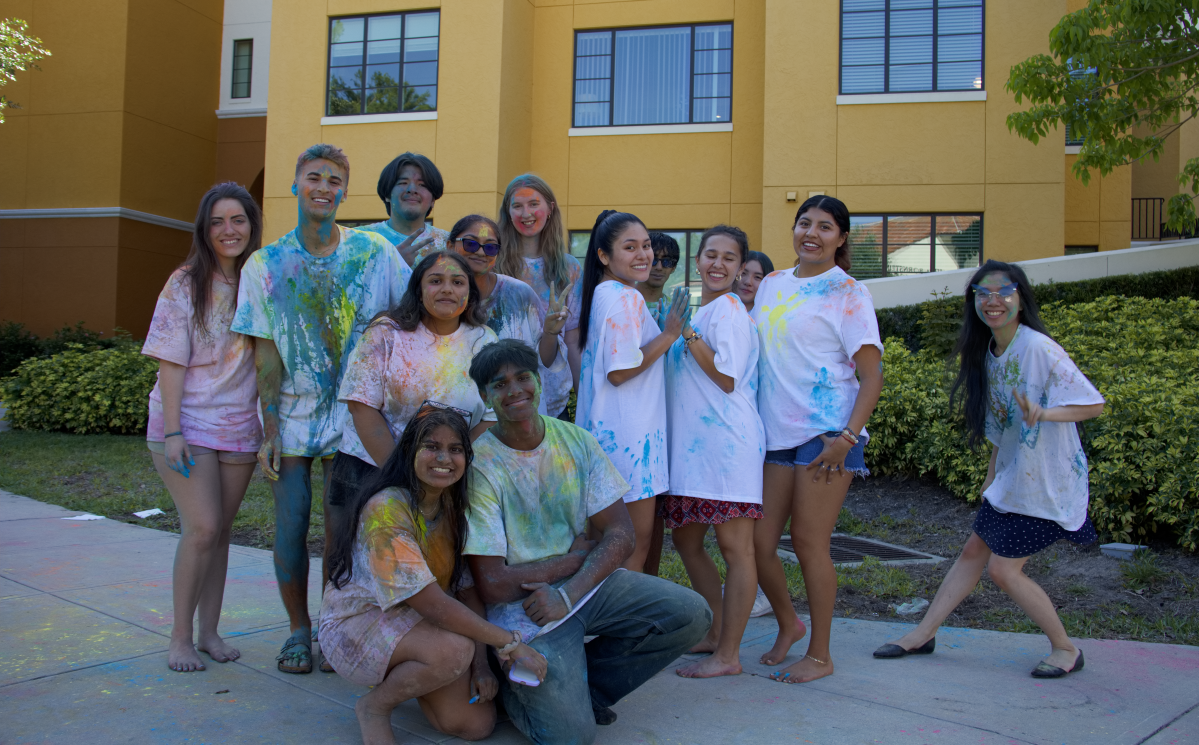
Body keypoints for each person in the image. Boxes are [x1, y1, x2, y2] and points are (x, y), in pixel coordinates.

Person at [463, 339, 710, 745]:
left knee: (690, 613)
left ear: (538, 380)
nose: (514, 391)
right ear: (484, 395)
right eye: (499, 384)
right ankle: (516, 691)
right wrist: (570, 562)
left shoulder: (577, 441)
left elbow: (621, 534)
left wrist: (569, 591)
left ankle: (585, 688)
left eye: (523, 378)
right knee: (571, 737)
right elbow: (493, 584)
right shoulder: (480, 465)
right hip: (524, 613)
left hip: (584, 591)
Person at [874, 260, 1104, 678]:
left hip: (1047, 483)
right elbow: (1001, 429)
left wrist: (1045, 414)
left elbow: (1093, 403)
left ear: (1021, 298)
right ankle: (923, 634)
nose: (993, 300)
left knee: (1002, 570)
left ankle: (1066, 649)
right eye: (983, 293)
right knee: (973, 552)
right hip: (1014, 479)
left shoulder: (1038, 348)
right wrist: (991, 479)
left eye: (1003, 291)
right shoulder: (990, 353)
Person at [231, 143, 410, 675]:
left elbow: (408, 314)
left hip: (355, 418)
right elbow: (265, 352)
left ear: (344, 192)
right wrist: (269, 427)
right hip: (292, 417)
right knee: (290, 525)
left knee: (340, 528)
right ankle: (297, 630)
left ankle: (332, 628)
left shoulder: (374, 254)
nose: (323, 188)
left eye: (334, 180)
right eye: (314, 177)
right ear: (296, 185)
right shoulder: (265, 265)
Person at [321, 405, 548, 745]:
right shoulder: (386, 509)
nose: (444, 458)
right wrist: (510, 643)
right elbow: (431, 604)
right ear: (409, 452)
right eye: (431, 447)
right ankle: (375, 706)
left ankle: (416, 672)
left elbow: (465, 591)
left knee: (475, 724)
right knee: (453, 652)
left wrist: (481, 665)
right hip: (358, 624)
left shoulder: (451, 507)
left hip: (419, 622)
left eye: (455, 449)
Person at [751, 196, 885, 685]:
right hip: (774, 434)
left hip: (827, 435)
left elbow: (872, 376)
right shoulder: (771, 283)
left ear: (841, 237)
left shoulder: (849, 292)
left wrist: (847, 438)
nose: (812, 233)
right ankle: (789, 623)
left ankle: (821, 655)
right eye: (804, 223)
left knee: (810, 544)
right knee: (758, 543)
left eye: (825, 227)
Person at [143, 182, 264, 672]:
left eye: (237, 220)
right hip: (186, 422)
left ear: (252, 225)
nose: (228, 230)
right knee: (202, 528)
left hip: (240, 424)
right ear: (204, 229)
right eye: (217, 222)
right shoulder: (185, 282)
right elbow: (170, 361)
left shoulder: (260, 281)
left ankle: (209, 631)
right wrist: (173, 431)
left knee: (222, 532)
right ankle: (179, 639)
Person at [328, 251, 500, 550]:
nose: (447, 289)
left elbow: (490, 416)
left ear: (470, 293)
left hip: (445, 476)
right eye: (436, 281)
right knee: (352, 562)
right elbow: (360, 406)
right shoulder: (386, 333)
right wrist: (403, 475)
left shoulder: (484, 341)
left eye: (457, 282)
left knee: (434, 561)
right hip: (370, 468)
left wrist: (448, 467)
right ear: (418, 290)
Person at [661, 225, 766, 679]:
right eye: (711, 255)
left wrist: (685, 333)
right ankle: (716, 631)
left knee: (735, 548)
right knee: (686, 541)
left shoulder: (730, 311)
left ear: (741, 268)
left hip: (728, 447)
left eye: (729, 258)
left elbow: (726, 377)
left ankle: (729, 655)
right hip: (693, 453)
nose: (718, 264)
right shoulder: (701, 311)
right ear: (698, 260)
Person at [576, 210, 690, 573]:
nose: (644, 255)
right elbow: (621, 371)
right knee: (632, 552)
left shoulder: (603, 293)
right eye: (630, 247)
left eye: (646, 246)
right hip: (630, 443)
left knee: (602, 552)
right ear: (604, 255)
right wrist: (669, 334)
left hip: (607, 439)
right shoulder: (626, 298)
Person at [448, 213, 570, 416]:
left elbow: (541, 364)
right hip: (457, 416)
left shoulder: (519, 294)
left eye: (490, 247)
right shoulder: (441, 297)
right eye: (470, 244)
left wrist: (550, 334)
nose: (480, 252)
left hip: (515, 416)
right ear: (450, 245)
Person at [494, 174, 581, 418]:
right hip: (501, 398)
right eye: (517, 206)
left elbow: (573, 339)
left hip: (554, 401)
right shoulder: (493, 263)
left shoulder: (570, 268)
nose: (526, 213)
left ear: (550, 208)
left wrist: (583, 398)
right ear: (508, 212)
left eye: (534, 204)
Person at [360, 152, 450, 266]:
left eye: (422, 185)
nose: (412, 189)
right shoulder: (360, 239)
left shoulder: (448, 243)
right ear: (387, 195)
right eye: (403, 183)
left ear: (433, 199)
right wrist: (393, 263)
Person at [635, 231, 682, 327]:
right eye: (653, 260)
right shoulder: (622, 301)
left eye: (667, 261)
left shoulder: (676, 310)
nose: (659, 267)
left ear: (673, 267)